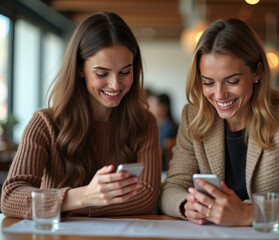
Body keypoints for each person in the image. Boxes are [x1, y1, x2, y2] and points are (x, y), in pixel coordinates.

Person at [160, 18, 279, 226]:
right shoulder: (193, 117)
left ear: (257, 72)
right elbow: (171, 189)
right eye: (207, 82)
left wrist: (248, 213)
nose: (219, 95)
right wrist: (185, 205)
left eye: (232, 81)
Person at [1, 12, 161, 219]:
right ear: (79, 69)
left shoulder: (144, 122)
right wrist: (85, 196)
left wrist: (57, 205)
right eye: (102, 73)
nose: (115, 84)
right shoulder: (45, 123)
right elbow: (11, 197)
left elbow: (146, 196)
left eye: (125, 72)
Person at [148, 91, 178, 170]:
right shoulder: (157, 127)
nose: (149, 109)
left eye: (152, 106)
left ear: (163, 108)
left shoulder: (171, 128)